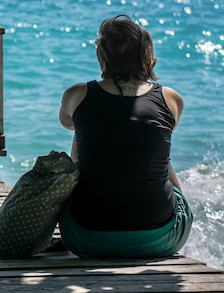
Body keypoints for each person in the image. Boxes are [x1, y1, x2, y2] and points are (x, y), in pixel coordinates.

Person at [58, 14, 193, 258]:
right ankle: (167, 211)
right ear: (148, 57)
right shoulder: (171, 99)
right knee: (153, 148)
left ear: (102, 56)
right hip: (161, 238)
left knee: (82, 127)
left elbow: (67, 123)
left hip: (87, 238)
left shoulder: (76, 95)